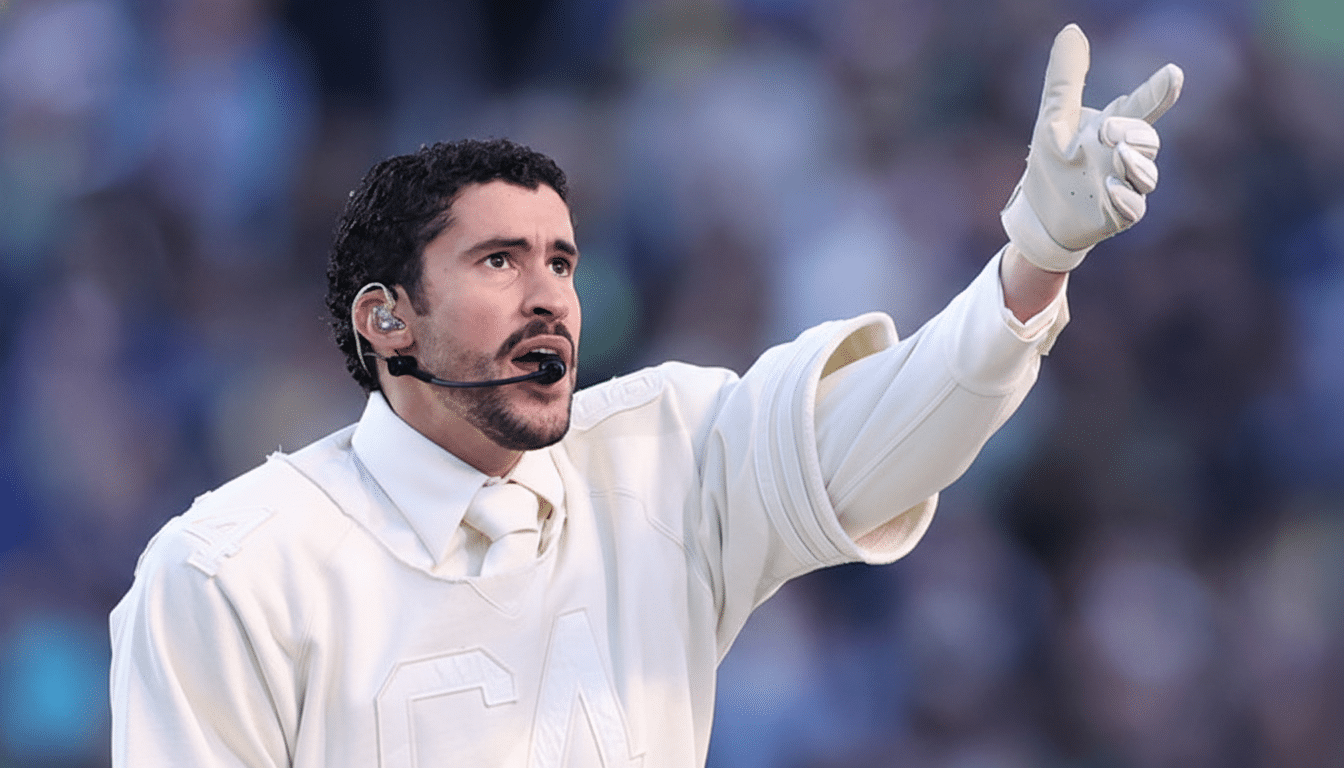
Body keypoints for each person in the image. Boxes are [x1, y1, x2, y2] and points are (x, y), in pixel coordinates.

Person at [109, 24, 1182, 768]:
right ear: (386, 319)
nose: (549, 303)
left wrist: (1035, 259)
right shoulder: (232, 569)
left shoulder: (661, 456)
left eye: (563, 265)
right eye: (498, 264)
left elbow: (887, 435)